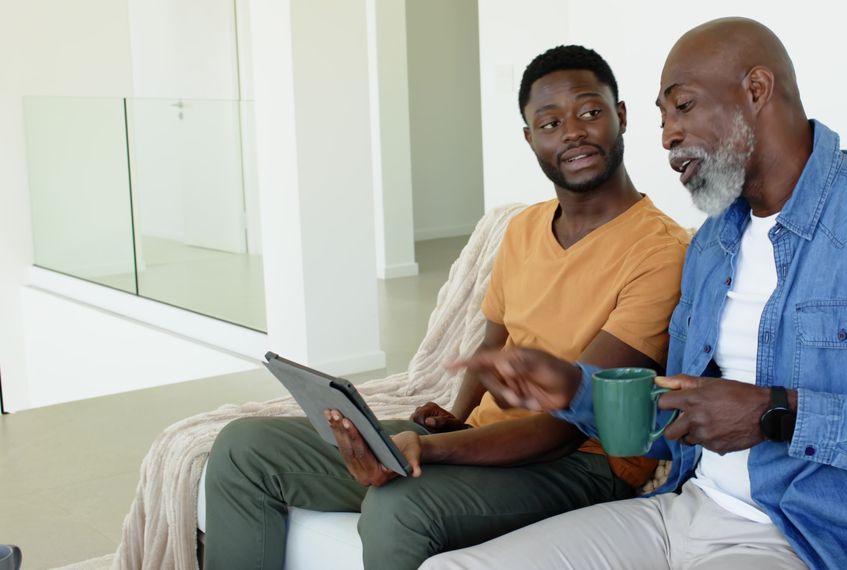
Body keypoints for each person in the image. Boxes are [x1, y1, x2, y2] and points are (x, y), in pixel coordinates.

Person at [427, 17, 847, 570]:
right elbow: (674, 419)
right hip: (681, 512)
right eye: (663, 115)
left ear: (755, 90)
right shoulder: (713, 244)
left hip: (819, 541)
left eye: (683, 107)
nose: (666, 135)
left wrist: (775, 413)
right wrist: (570, 390)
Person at [202, 45, 690, 570]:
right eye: (549, 122)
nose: (571, 132)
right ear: (530, 139)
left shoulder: (659, 252)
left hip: (583, 463)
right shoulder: (525, 227)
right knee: (242, 449)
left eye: (589, 112)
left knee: (399, 505)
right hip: (486, 440)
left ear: (621, 117)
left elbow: (571, 422)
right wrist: (454, 419)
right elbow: (494, 340)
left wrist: (429, 449)